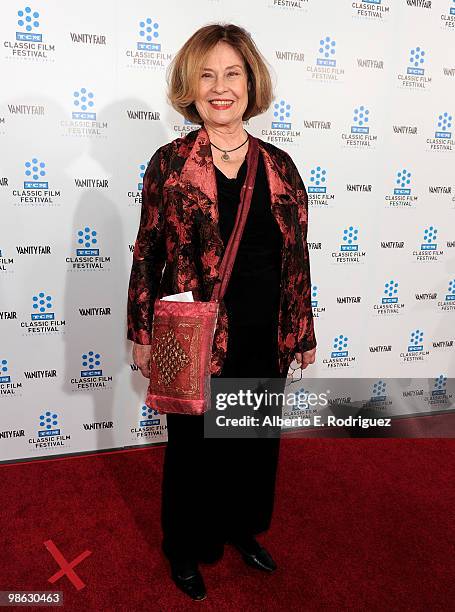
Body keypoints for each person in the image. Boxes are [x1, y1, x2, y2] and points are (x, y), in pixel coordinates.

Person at [127, 23, 317, 601]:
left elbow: (297, 256)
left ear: (250, 81)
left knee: (255, 443)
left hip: (263, 330)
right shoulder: (170, 163)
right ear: (190, 86)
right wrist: (141, 331)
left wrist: (301, 331)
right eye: (206, 75)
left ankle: (241, 528)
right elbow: (148, 251)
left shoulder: (280, 165)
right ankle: (186, 546)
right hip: (194, 335)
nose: (219, 87)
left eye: (232, 73)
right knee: (192, 448)